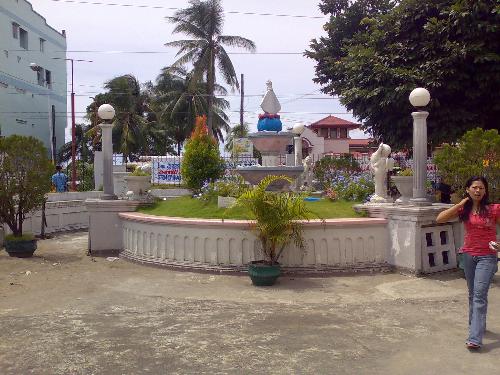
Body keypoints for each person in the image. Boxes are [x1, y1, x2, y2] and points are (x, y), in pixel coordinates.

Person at [436, 176, 500, 350]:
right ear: (468, 190)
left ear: (485, 191)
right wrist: (460, 204)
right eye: (474, 187)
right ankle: (478, 327)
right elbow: (439, 219)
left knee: (479, 296)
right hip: (468, 257)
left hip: (487, 257)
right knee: (473, 295)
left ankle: (474, 338)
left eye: (481, 188)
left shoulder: (493, 209)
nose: (478, 191)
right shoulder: (464, 210)